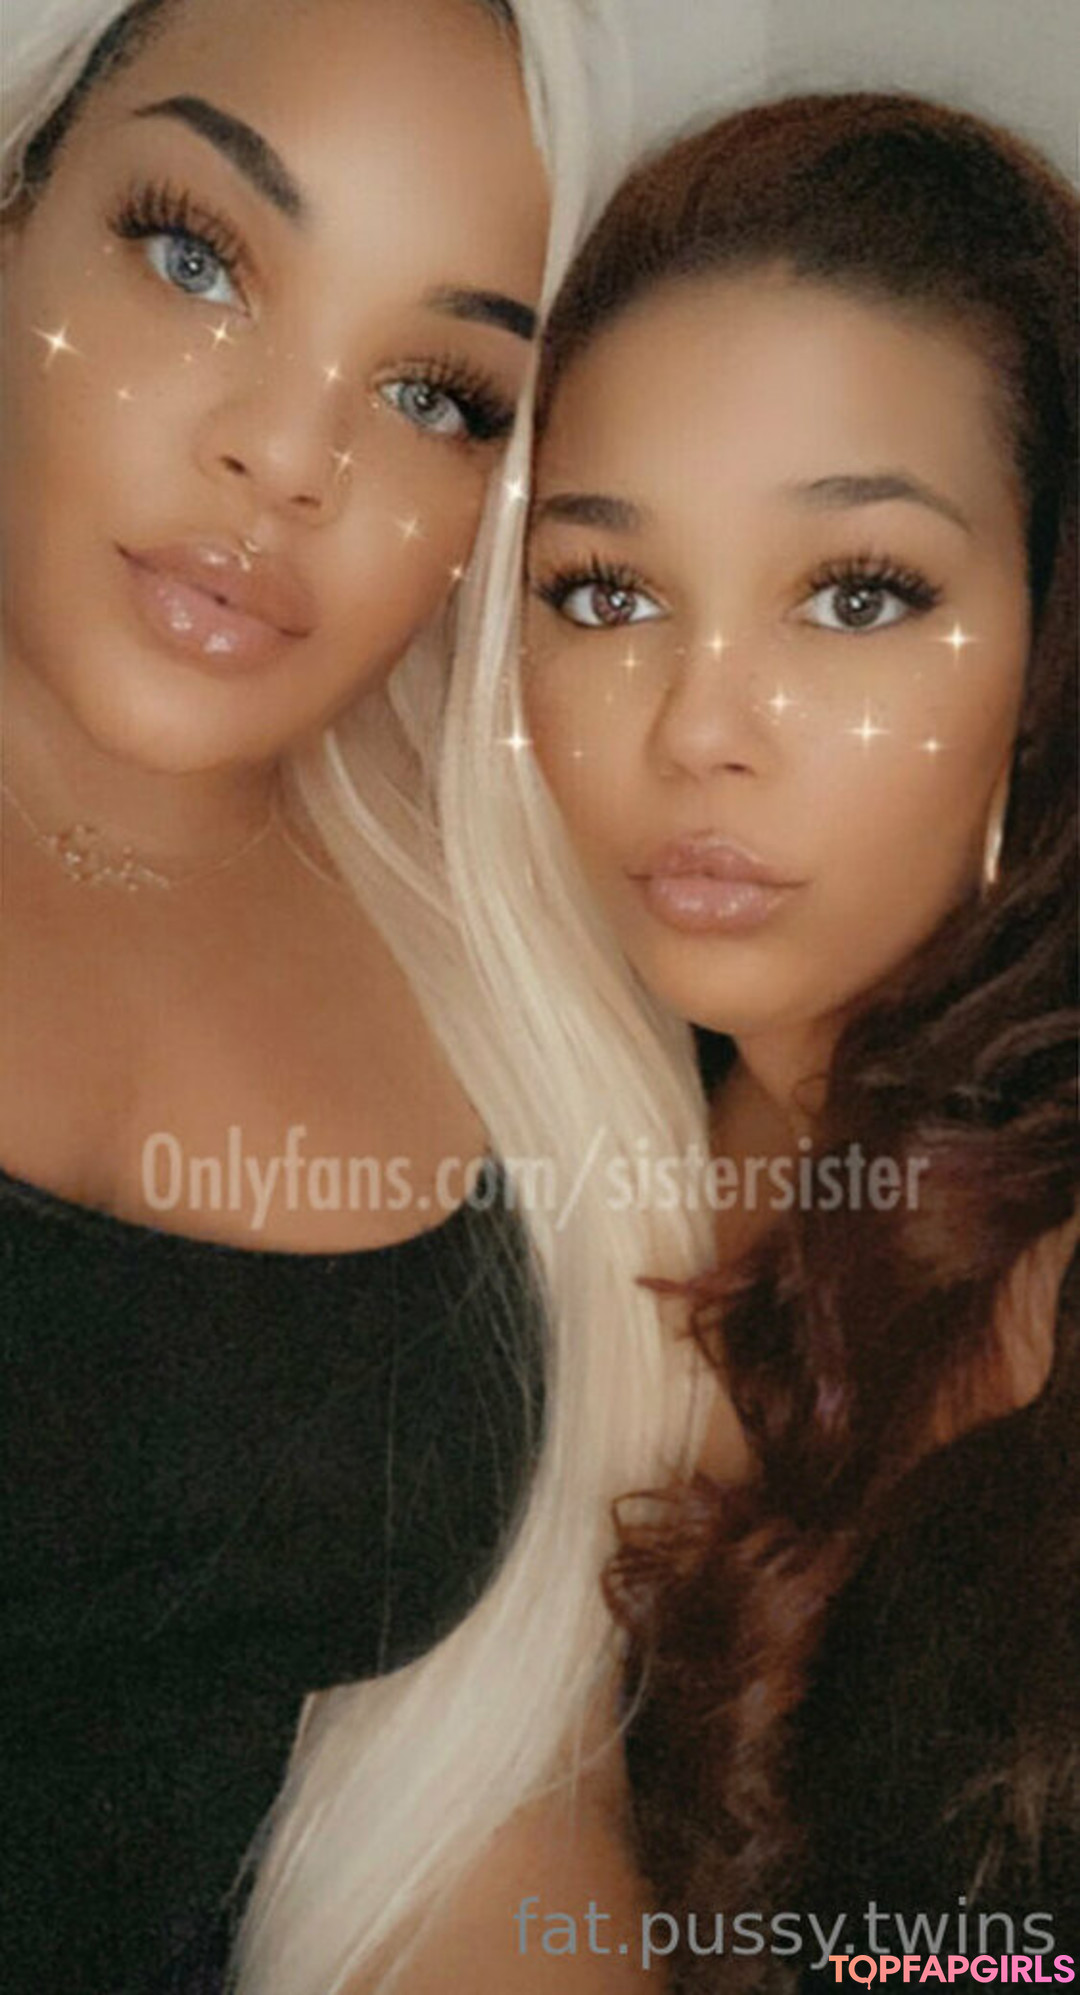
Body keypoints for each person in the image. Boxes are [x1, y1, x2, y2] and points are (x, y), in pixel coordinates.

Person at [2, 4, 725, 1989]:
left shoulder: (541, 1025)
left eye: (436, 391)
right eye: (194, 255)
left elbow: (495, 1817)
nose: (287, 456)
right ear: (16, 211)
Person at [521, 91, 1079, 1987]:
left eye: (856, 595)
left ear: (1050, 649)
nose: (698, 724)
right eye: (606, 593)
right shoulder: (529, 1137)